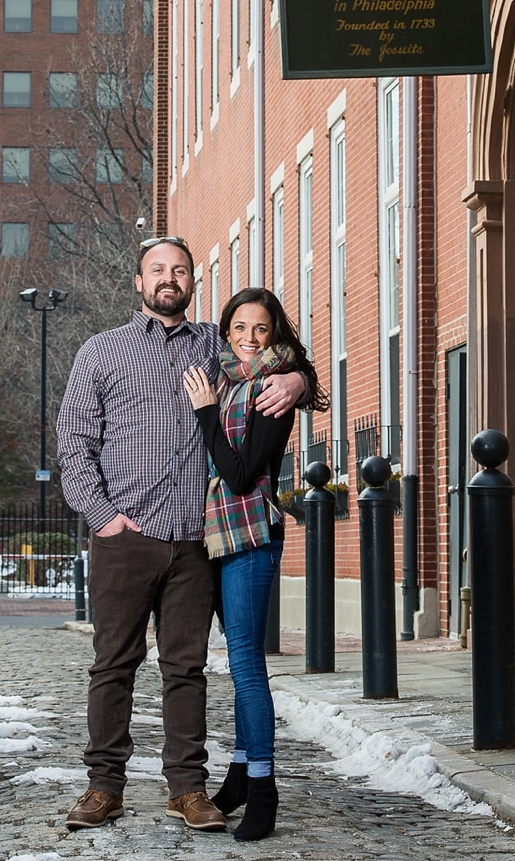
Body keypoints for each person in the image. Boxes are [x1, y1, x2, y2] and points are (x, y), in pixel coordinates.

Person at [57, 237, 306, 832]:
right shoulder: (100, 352)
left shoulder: (215, 350)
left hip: (196, 541)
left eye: (181, 270)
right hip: (124, 538)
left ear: (193, 282)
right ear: (138, 281)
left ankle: (188, 789)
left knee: (186, 669)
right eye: (158, 270)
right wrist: (106, 520)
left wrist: (298, 380)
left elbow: (271, 350)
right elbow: (73, 447)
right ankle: (103, 786)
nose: (170, 279)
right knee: (113, 664)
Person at [183, 287, 328, 841]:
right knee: (238, 661)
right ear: (227, 332)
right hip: (214, 539)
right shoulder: (224, 380)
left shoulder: (273, 388)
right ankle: (241, 775)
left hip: (249, 538)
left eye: (260, 330)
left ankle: (264, 790)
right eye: (239, 328)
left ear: (275, 334)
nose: (248, 339)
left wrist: (203, 417)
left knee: (246, 664)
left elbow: (241, 474)